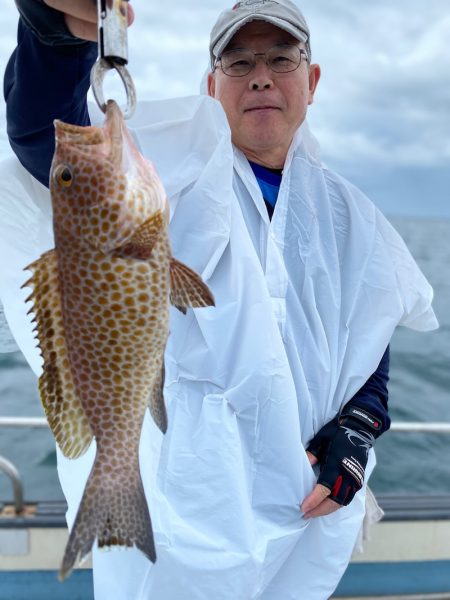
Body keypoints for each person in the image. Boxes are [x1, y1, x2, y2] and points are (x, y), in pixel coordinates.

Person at [0, 1, 437, 598]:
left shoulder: (350, 215)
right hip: (179, 509)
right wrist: (55, 29)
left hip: (299, 514)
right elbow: (38, 133)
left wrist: (358, 430)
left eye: (280, 58)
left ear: (311, 81)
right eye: (238, 61)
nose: (260, 75)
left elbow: (365, 334)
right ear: (211, 85)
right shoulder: (170, 171)